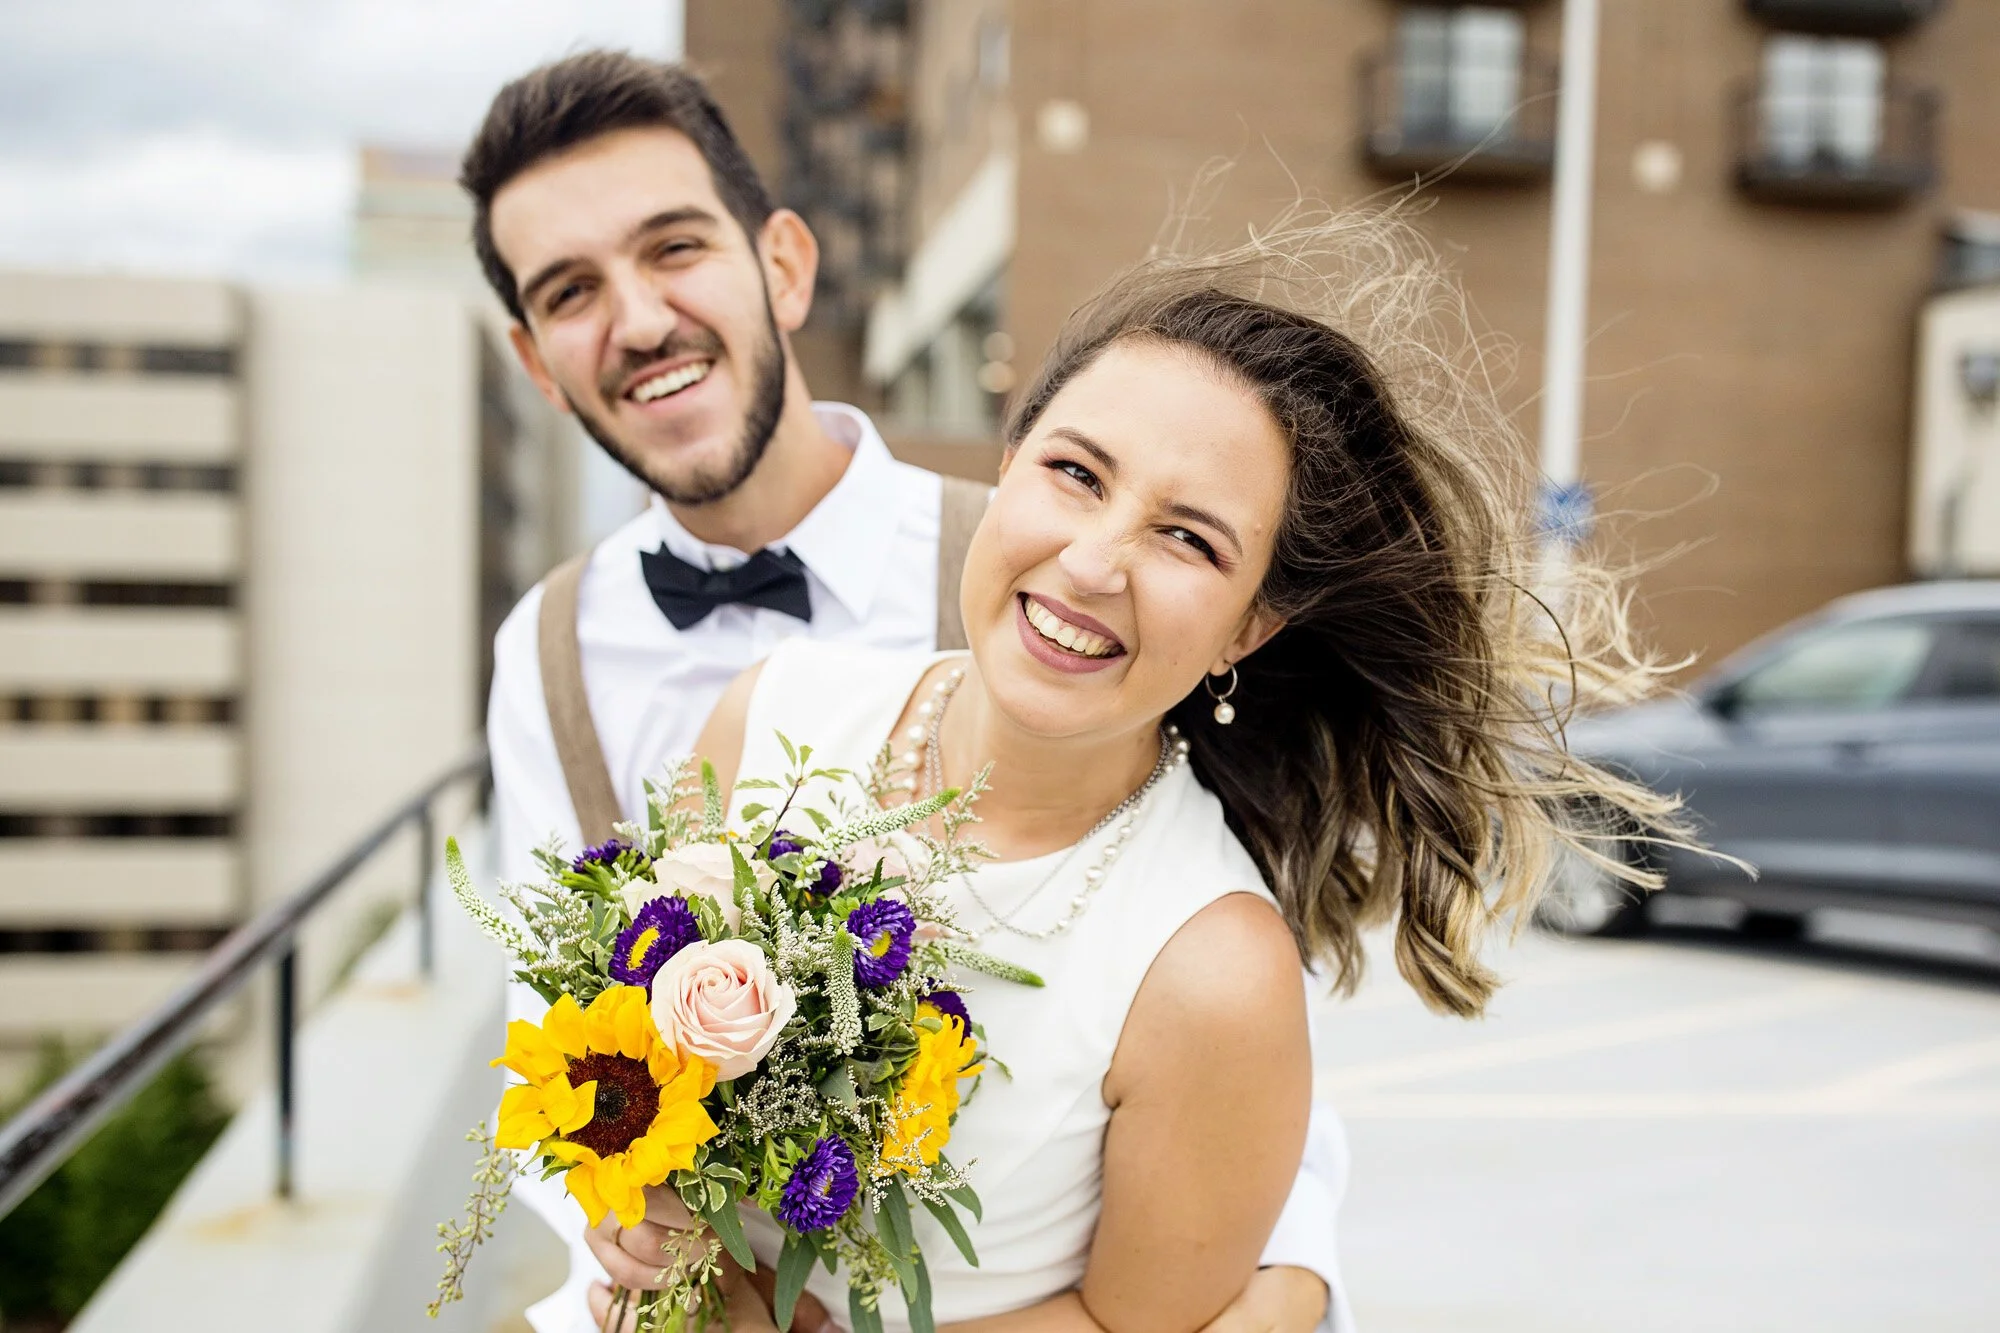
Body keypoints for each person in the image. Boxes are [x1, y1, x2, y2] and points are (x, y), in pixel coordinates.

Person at [651, 207, 1682, 1332]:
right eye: (1074, 473)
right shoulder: (768, 716)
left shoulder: (1212, 970)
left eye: (1189, 539)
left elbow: (1124, 1326)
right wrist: (640, 1214)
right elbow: (628, 1074)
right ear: (1004, 469)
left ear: (1249, 627)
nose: (1092, 563)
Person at [469, 52, 1352, 1333]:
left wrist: (1281, 1293)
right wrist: (648, 1242)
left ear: (781, 262)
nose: (640, 319)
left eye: (672, 248)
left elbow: (1244, 1094)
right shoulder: (545, 648)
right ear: (537, 360)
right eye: (571, 292)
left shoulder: (1051, 575)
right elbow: (553, 1021)